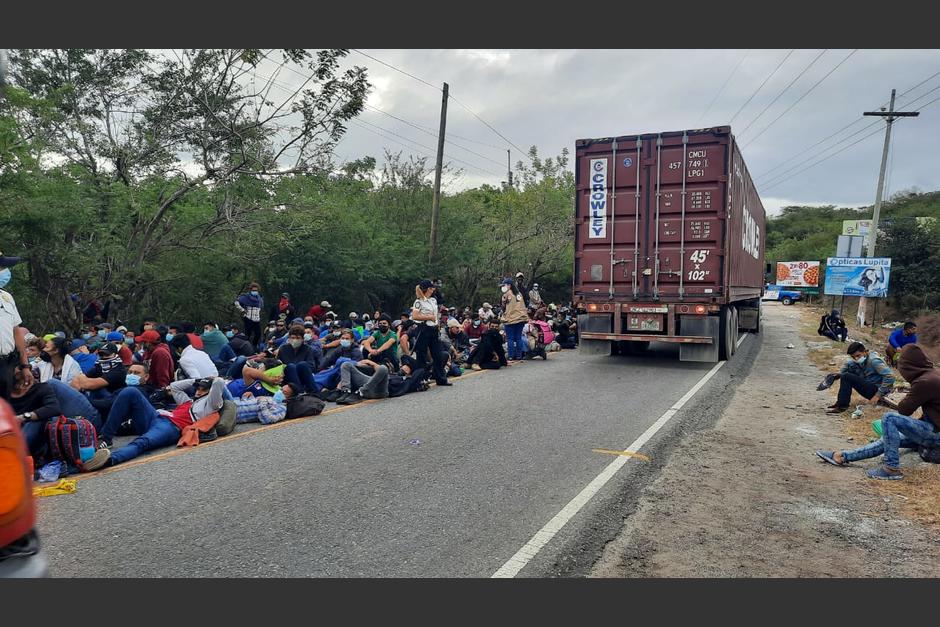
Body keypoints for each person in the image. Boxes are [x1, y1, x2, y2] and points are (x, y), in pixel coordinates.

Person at [815, 344, 940, 480]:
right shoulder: (932, 374)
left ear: (909, 366)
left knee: (889, 418)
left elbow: (904, 410)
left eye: (901, 365)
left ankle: (891, 469)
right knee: (887, 438)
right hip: (932, 428)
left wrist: (912, 392)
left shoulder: (926, 381)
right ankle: (841, 456)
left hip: (935, 434)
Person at [93, 376, 227, 467]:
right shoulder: (188, 401)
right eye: (198, 388)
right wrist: (196, 380)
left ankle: (108, 460)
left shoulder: (211, 404)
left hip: (170, 427)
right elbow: (174, 387)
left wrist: (212, 378)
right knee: (130, 391)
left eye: (203, 389)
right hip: (156, 417)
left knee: (142, 443)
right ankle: (106, 438)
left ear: (210, 392)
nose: (198, 391)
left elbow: (219, 382)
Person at [825, 341, 895, 414]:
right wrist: (837, 375)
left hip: (880, 391)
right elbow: (847, 367)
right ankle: (840, 403)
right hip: (870, 387)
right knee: (846, 374)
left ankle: (842, 406)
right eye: (853, 357)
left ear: (864, 352)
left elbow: (890, 376)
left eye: (858, 356)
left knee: (846, 376)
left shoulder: (874, 360)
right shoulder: (858, 361)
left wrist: (877, 396)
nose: (856, 358)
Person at [0, 251, 33, 401]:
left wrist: (25, 366)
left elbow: (16, 332)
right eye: (1, 267)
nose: (4, 272)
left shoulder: (6, 298)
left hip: (5, 366)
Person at [70, 342, 127, 418]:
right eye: (101, 354)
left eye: (107, 354)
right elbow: (76, 380)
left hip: (114, 402)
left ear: (115, 354)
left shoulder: (119, 370)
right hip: (100, 399)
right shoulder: (99, 366)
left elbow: (89, 384)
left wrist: (84, 384)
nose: (104, 357)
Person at [411, 280, 450, 386]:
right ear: (428, 289)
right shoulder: (418, 302)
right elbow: (415, 316)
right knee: (422, 355)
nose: (434, 289)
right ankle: (422, 379)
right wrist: (429, 317)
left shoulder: (433, 300)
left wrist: (436, 323)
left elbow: (437, 310)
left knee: (438, 354)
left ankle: (441, 378)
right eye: (432, 288)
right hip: (423, 328)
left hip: (433, 329)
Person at [500, 277, 529, 361]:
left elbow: (503, 307)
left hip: (510, 318)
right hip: (521, 318)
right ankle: (519, 355)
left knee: (510, 338)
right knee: (518, 337)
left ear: (509, 285)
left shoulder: (506, 294)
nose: (503, 287)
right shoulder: (519, 294)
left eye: (504, 285)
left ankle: (511, 356)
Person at [234, 282, 264, 347]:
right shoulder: (246, 297)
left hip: (257, 319)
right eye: (253, 290)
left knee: (258, 334)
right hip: (248, 318)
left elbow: (261, 307)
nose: (255, 291)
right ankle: (246, 347)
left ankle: (254, 346)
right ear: (250, 290)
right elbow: (236, 302)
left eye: (256, 290)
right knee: (248, 335)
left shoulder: (260, 299)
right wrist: (242, 310)